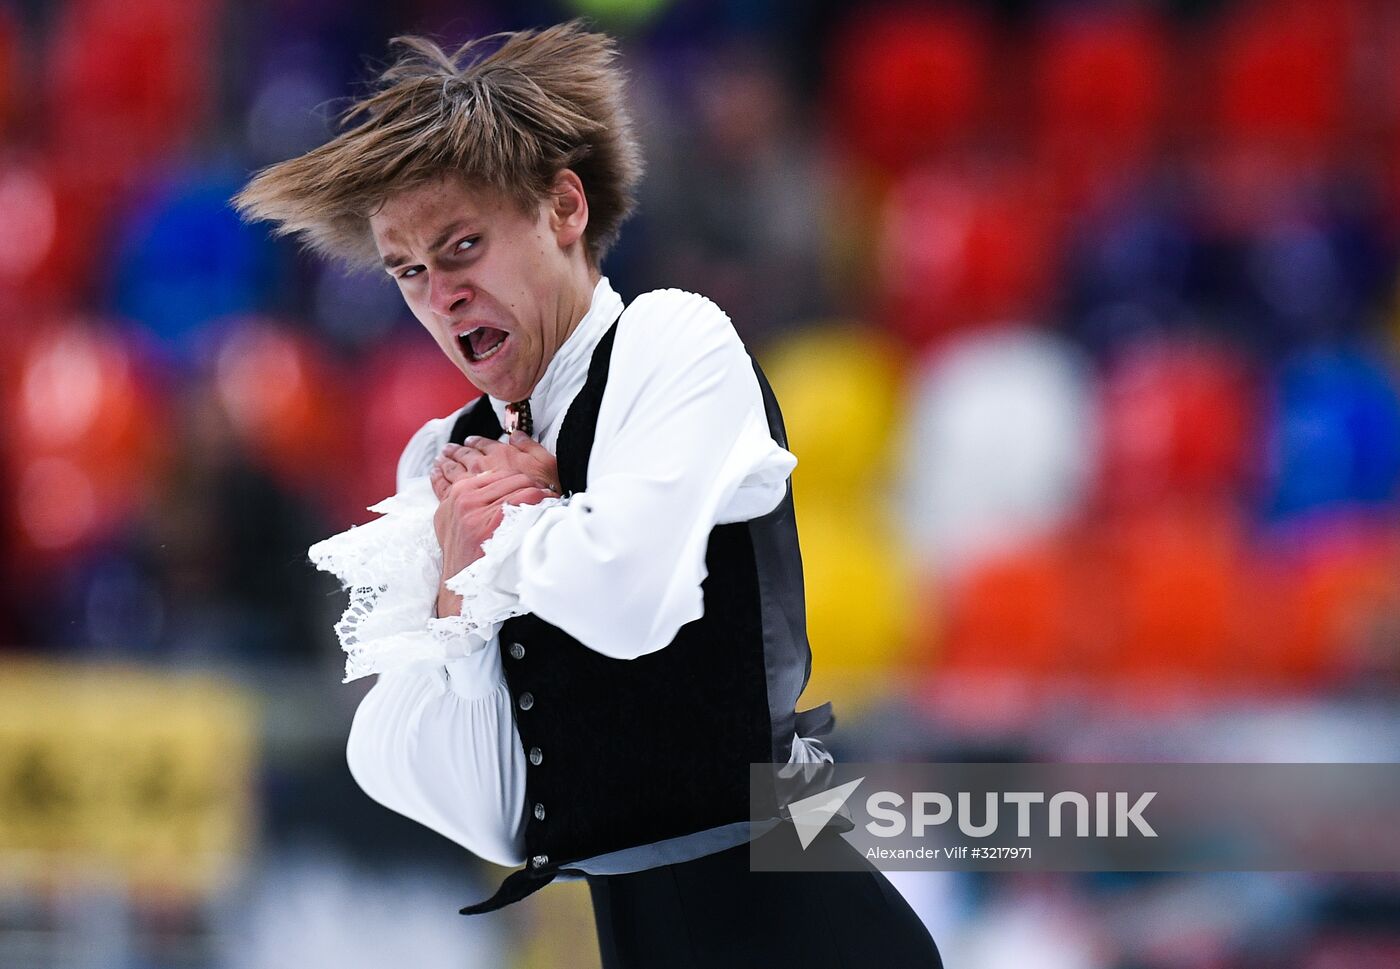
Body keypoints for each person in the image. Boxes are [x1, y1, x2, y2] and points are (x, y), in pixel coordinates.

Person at [234, 20, 942, 967]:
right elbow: (458, 794)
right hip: (637, 934)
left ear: (563, 207)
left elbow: (630, 601)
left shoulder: (672, 342)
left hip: (804, 905)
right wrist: (456, 594)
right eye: (409, 271)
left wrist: (513, 531)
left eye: (462, 247)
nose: (441, 297)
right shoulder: (447, 458)